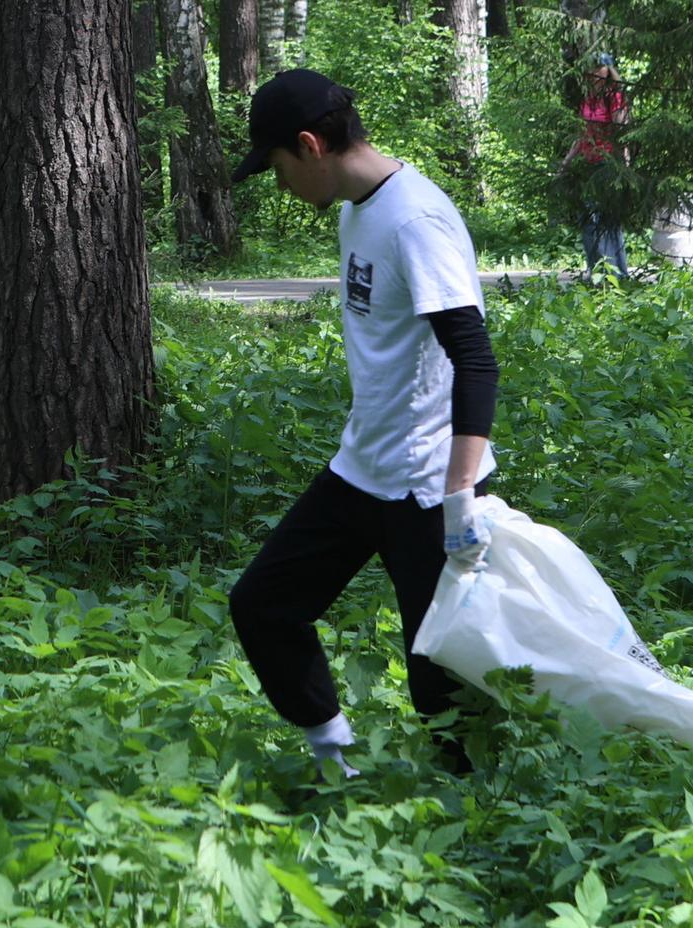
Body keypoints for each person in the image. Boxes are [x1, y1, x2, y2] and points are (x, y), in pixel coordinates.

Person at [226, 69, 501, 778]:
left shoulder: (415, 219)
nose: (280, 185)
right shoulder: (357, 209)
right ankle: (337, 765)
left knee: (440, 681)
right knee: (264, 606)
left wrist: (460, 494)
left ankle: (481, 821)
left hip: (428, 490)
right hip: (364, 471)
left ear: (311, 145)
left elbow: (474, 359)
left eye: (278, 166)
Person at [568, 53, 631, 280]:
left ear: (608, 71)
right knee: (588, 220)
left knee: (608, 221)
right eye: (593, 69)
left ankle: (619, 275)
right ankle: (597, 274)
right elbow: (581, 134)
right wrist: (566, 162)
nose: (596, 73)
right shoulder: (587, 101)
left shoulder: (614, 98)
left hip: (608, 164)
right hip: (588, 164)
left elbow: (621, 131)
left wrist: (623, 165)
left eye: (601, 68)